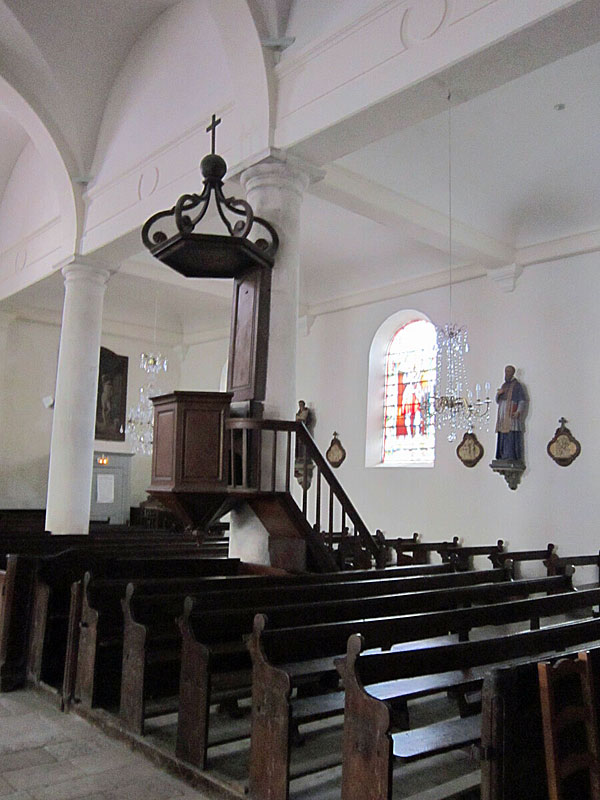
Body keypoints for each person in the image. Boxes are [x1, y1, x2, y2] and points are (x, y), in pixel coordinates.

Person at [495, 365, 526, 461]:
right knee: (503, 436)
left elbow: (522, 400)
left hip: (511, 414)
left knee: (511, 434)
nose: (506, 374)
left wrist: (518, 411)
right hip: (502, 415)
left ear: (512, 373)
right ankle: (503, 455)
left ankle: (511, 455)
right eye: (506, 372)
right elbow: (497, 401)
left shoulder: (517, 386)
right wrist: (498, 394)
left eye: (508, 372)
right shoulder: (504, 385)